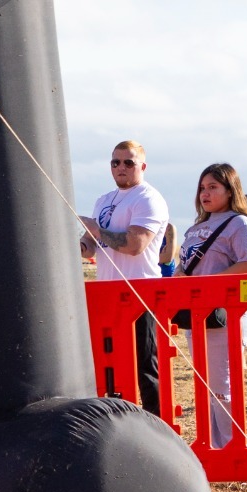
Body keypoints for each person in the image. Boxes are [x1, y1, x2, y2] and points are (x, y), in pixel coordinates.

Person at [80, 140, 170, 418]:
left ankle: (157, 424)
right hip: (108, 294)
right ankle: (116, 422)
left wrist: (96, 230)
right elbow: (89, 247)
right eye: (115, 162)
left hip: (140, 293)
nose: (120, 167)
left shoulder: (148, 198)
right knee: (110, 367)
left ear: (142, 166)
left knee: (146, 367)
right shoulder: (103, 200)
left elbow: (135, 245)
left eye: (128, 162)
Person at [176, 164, 247, 449]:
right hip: (197, 314)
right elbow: (184, 265)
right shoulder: (196, 227)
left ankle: (230, 448)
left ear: (229, 189)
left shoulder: (239, 223)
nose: (205, 193)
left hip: (225, 314)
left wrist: (207, 284)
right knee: (205, 384)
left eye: (213, 187)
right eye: (202, 187)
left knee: (222, 384)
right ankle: (211, 444)